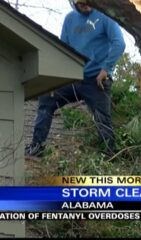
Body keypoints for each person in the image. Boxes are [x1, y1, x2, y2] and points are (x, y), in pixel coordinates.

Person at [25, 0, 125, 157]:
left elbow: (119, 43)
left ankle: (108, 154)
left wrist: (106, 69)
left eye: (88, 2)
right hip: (72, 78)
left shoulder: (105, 16)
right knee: (46, 99)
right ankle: (37, 147)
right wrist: (55, 78)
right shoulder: (69, 19)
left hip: (96, 79)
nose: (85, 5)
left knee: (101, 118)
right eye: (81, 3)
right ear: (74, 3)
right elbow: (63, 50)